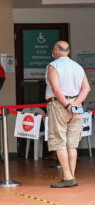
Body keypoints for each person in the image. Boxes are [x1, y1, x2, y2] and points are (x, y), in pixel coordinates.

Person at [45, 41, 90, 188]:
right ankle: (71, 176)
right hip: (77, 106)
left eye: (53, 50)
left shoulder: (54, 65)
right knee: (72, 144)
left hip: (59, 106)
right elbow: (86, 88)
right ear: (68, 51)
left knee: (59, 141)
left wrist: (67, 105)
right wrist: (76, 104)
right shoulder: (78, 67)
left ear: (56, 51)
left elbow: (56, 89)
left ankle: (67, 177)